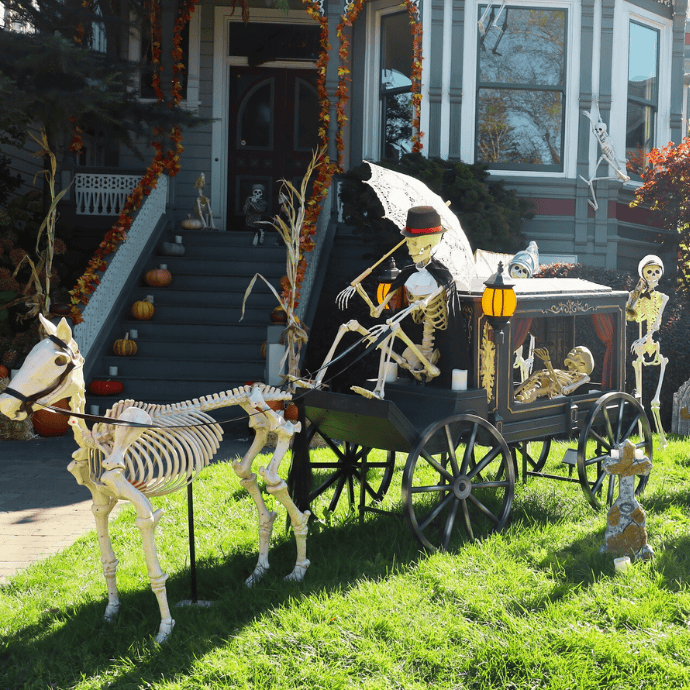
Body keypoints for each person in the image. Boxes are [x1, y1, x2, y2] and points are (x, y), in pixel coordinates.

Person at [514, 346, 594, 403]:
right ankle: (515, 394)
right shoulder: (564, 372)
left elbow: (563, 389)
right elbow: (539, 374)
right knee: (536, 377)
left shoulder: (584, 377)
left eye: (578, 351)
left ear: (583, 363)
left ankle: (527, 396)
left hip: (551, 386)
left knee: (539, 388)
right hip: (543, 380)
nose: (572, 352)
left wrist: (548, 363)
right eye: (573, 350)